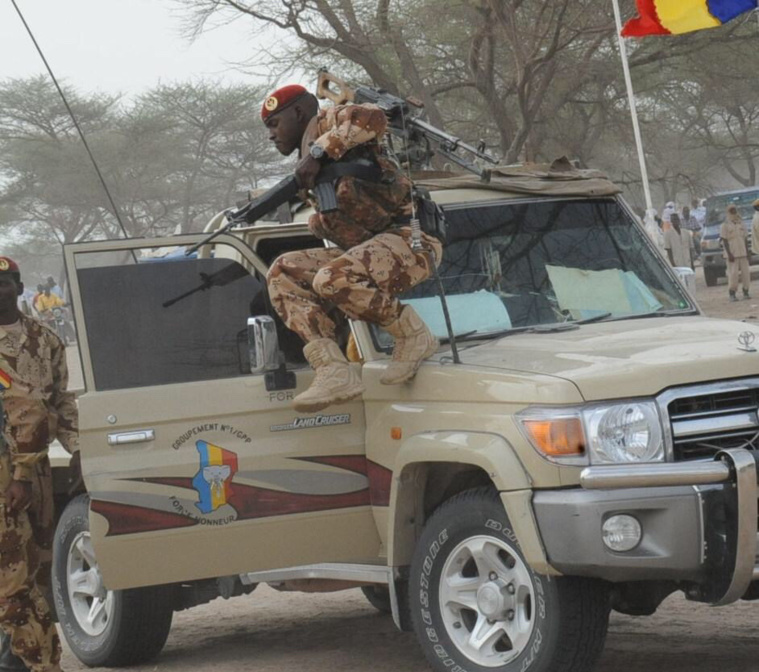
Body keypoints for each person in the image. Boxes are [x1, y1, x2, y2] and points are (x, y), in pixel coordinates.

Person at [262, 84, 443, 413]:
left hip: (412, 241)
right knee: (283, 271)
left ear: (299, 113)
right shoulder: (310, 165)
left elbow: (371, 117)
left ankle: (413, 335)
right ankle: (332, 368)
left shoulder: (331, 122)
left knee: (330, 279)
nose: (271, 135)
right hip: (371, 250)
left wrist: (318, 154)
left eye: (274, 123)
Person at [0, 256, 79, 672]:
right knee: (11, 576)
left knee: (36, 570)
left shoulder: (44, 338)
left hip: (38, 475)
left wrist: (78, 445)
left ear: (17, 285)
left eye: (4, 282)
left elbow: (60, 400)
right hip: (6, 473)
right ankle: (28, 661)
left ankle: (22, 657)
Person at [721, 205, 750, 301]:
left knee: (746, 274)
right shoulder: (725, 225)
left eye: (735, 210)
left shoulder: (741, 223)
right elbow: (724, 240)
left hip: (742, 252)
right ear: (728, 212)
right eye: (731, 210)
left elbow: (745, 238)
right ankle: (732, 294)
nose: (734, 212)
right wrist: (729, 254)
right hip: (732, 254)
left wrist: (747, 251)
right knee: (733, 275)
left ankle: (746, 291)